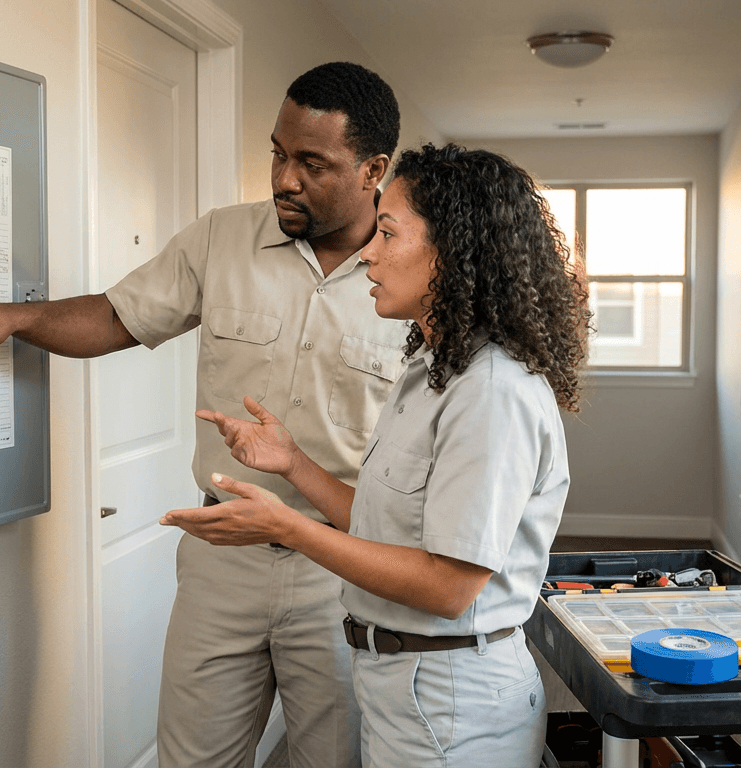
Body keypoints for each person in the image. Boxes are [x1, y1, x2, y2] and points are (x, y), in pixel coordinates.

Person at [0, 62, 408, 768]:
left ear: (372, 168)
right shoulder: (222, 238)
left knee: (336, 760)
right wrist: (12, 320)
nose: (284, 178)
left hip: (342, 569)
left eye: (311, 163)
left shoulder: (411, 273)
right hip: (223, 557)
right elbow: (114, 316)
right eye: (278, 153)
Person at [161, 143, 592, 767]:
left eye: (388, 233)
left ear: (454, 251)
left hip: (452, 701)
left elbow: (448, 586)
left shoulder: (492, 391)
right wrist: (294, 464)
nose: (368, 252)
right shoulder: (431, 368)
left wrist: (287, 528)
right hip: (400, 682)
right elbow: (392, 522)